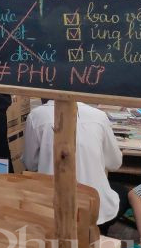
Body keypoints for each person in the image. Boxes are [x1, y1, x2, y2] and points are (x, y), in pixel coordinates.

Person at [24, 100, 125, 235]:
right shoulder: (99, 116)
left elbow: (30, 163)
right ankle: (98, 235)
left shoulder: (36, 116)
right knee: (120, 192)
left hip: (50, 210)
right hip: (95, 212)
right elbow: (115, 163)